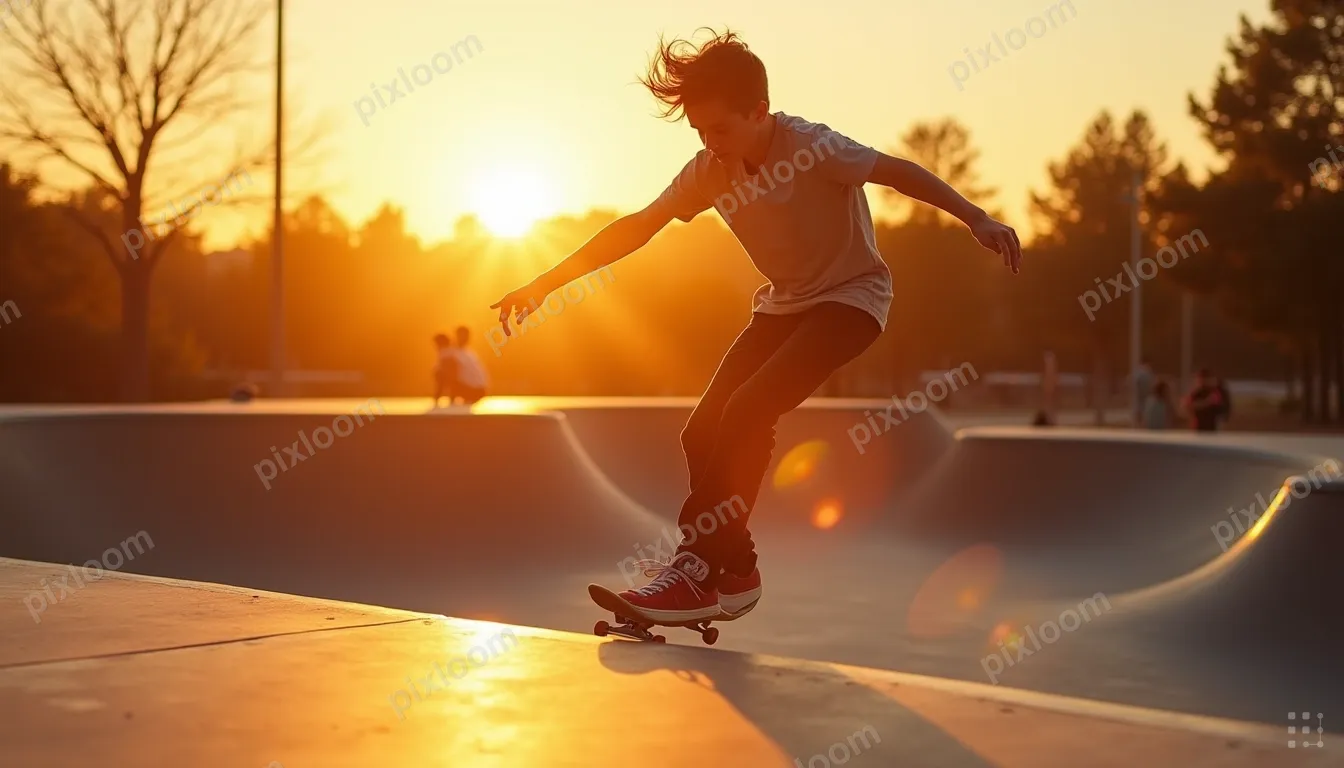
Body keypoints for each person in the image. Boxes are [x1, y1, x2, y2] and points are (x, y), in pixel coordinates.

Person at [490, 29, 1021, 625]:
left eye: (720, 130)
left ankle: (695, 568)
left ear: (759, 111)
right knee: (700, 432)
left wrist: (976, 217)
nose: (711, 146)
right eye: (699, 133)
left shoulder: (814, 146)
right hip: (783, 305)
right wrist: (544, 283)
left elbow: (897, 172)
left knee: (748, 411)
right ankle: (734, 570)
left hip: (853, 301)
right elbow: (637, 227)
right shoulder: (707, 172)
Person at [433, 327, 490, 406]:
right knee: (442, 372)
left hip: (475, 390)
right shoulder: (464, 352)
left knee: (439, 373)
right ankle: (453, 400)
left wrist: (437, 397)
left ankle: (448, 402)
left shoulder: (449, 353)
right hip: (480, 390)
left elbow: (450, 375)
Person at [1181, 367, 1224, 432]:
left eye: (1204, 377)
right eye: (1200, 378)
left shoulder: (1214, 392)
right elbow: (1188, 406)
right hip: (1197, 428)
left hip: (1211, 428)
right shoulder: (1195, 393)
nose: (1201, 380)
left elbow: (1217, 405)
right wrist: (1205, 402)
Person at [1132, 359, 1153, 427]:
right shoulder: (1145, 373)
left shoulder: (1141, 373)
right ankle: (1140, 425)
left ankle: (1139, 425)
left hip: (1142, 396)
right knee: (1142, 412)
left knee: (1141, 412)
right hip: (1142, 396)